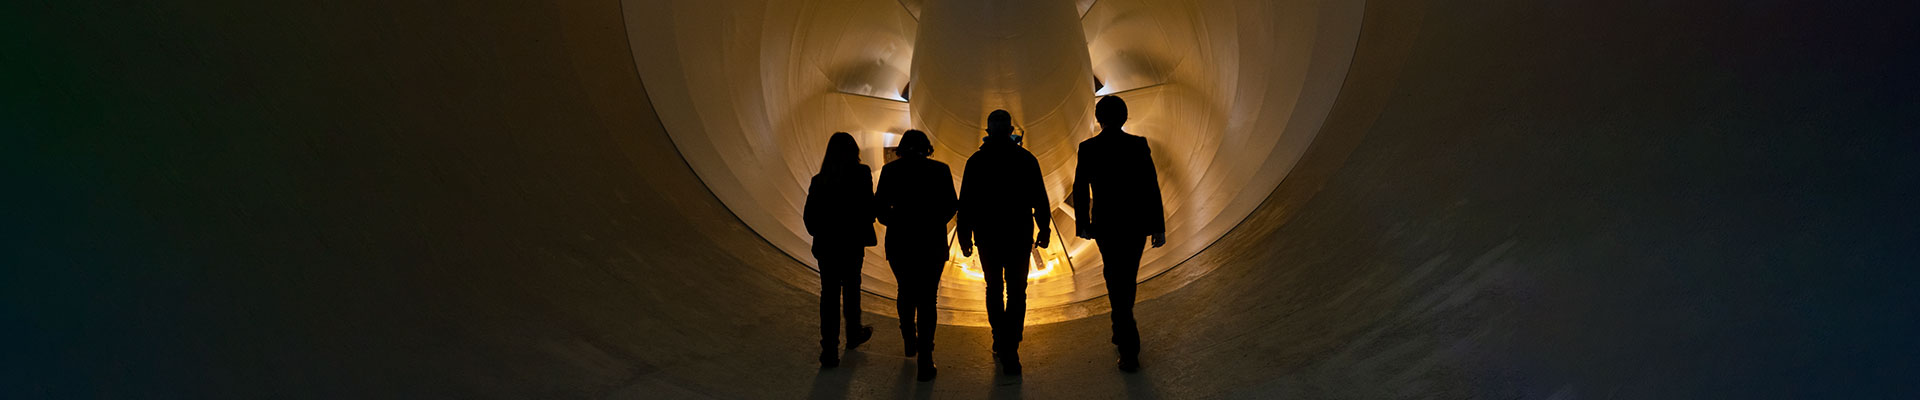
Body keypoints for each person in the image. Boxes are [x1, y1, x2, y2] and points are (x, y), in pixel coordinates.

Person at [1070, 95, 1165, 372]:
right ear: (1124, 117)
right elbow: (1150, 186)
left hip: (1106, 225)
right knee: (1127, 279)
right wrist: (1157, 226)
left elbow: (1079, 188)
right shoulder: (1137, 144)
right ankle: (1125, 339)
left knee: (1115, 278)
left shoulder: (1088, 148)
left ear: (1098, 119)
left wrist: (1082, 224)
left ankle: (1126, 342)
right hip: (1134, 224)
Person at [957, 110, 1051, 376]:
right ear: (1011, 131)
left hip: (987, 236)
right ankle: (1012, 343)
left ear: (988, 132)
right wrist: (1044, 229)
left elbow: (966, 204)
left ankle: (1000, 339)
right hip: (1018, 234)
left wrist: (964, 238)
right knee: (1017, 291)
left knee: (994, 288)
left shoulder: (976, 162)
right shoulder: (1026, 159)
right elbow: (1039, 198)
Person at [874, 130, 957, 381]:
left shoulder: (890, 171)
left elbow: (880, 209)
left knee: (906, 291)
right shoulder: (940, 170)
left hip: (900, 242)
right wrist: (933, 222)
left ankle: (909, 339)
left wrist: (898, 221)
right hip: (931, 242)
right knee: (928, 299)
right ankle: (925, 358)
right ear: (927, 147)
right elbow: (951, 205)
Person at [803, 132, 876, 368]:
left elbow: (809, 217)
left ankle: (829, 350)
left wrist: (822, 234)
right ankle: (853, 335)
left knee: (829, 296)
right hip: (852, 244)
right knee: (852, 290)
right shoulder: (862, 174)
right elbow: (869, 208)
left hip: (827, 247)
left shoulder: (819, 180)